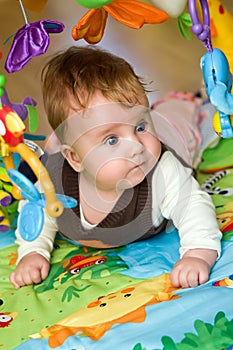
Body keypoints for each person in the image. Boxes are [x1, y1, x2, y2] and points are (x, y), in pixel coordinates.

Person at [10, 46, 222, 290]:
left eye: (141, 126)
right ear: (75, 160)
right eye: (111, 140)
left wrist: (197, 254)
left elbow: (193, 206)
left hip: (173, 133)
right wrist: (33, 252)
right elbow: (37, 208)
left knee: (177, 119)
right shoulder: (56, 181)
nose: (136, 147)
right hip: (73, 152)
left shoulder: (162, 169)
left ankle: (186, 101)